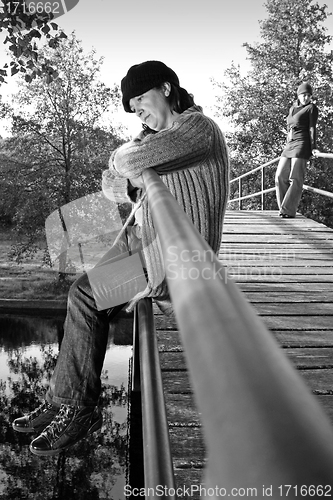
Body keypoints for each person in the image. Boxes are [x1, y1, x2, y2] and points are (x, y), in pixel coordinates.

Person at [12, 60, 229, 456]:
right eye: (131, 106)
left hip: (178, 259)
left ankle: (76, 408)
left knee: (84, 296)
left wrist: (126, 161)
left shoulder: (197, 128)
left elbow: (126, 165)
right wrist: (128, 172)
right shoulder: (160, 139)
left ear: (166, 88)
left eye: (141, 99)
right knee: (82, 291)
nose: (138, 111)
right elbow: (115, 188)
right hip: (152, 246)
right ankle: (65, 401)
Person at [275, 82, 319, 218]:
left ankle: (288, 210)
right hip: (290, 145)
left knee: (295, 178)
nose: (306, 98)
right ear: (298, 95)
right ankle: (283, 207)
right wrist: (287, 142)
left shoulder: (312, 108)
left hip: (302, 144)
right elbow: (289, 128)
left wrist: (314, 147)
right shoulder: (292, 109)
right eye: (303, 95)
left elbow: (312, 128)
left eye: (308, 95)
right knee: (279, 176)